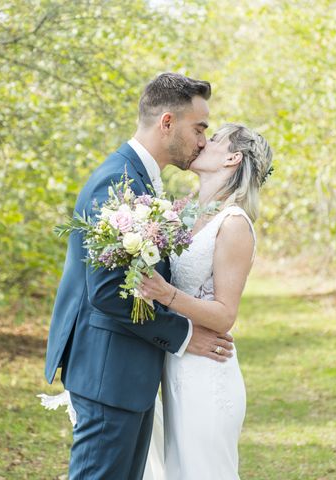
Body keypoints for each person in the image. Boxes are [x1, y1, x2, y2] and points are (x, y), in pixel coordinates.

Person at [43, 72, 235, 480]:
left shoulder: (143, 178)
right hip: (108, 371)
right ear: (167, 122)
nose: (203, 140)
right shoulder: (119, 180)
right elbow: (109, 291)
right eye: (199, 128)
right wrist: (185, 335)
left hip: (128, 373)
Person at [139, 122, 273, 479]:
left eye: (214, 139)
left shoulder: (234, 224)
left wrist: (165, 293)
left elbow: (225, 314)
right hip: (175, 365)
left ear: (232, 157)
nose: (202, 142)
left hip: (207, 374)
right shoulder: (185, 216)